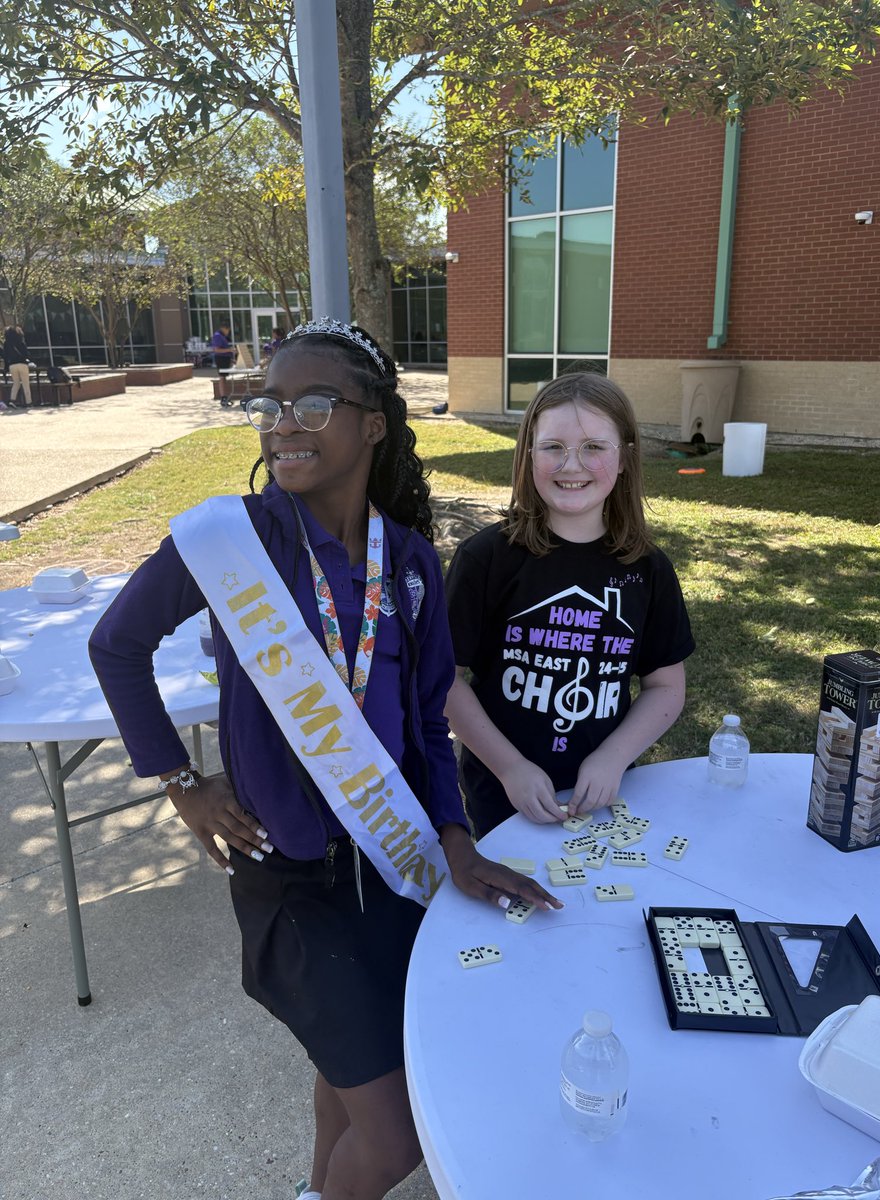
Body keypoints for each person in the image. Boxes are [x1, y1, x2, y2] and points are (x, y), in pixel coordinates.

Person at [89, 317, 559, 1200]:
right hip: (291, 884)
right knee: (397, 1137)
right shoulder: (230, 540)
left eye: (313, 404)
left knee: (351, 1078)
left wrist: (455, 838)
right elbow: (116, 646)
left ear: (372, 424)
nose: (283, 425)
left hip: (389, 871)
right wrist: (182, 783)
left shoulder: (409, 563)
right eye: (269, 405)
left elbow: (428, 725)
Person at [444, 371, 695, 839]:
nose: (571, 465)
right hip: (503, 791)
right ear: (528, 454)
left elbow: (666, 687)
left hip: (607, 792)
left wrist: (614, 757)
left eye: (594, 447)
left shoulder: (648, 569)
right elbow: (445, 679)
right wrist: (511, 767)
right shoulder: (485, 558)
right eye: (553, 447)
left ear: (624, 458)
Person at [2, 325, 32, 407]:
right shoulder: (20, 341)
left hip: (12, 365)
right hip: (22, 364)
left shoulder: (6, 343)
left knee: (16, 383)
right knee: (26, 384)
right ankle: (28, 402)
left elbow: (5, 356)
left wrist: (6, 367)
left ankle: (12, 400)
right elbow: (26, 353)